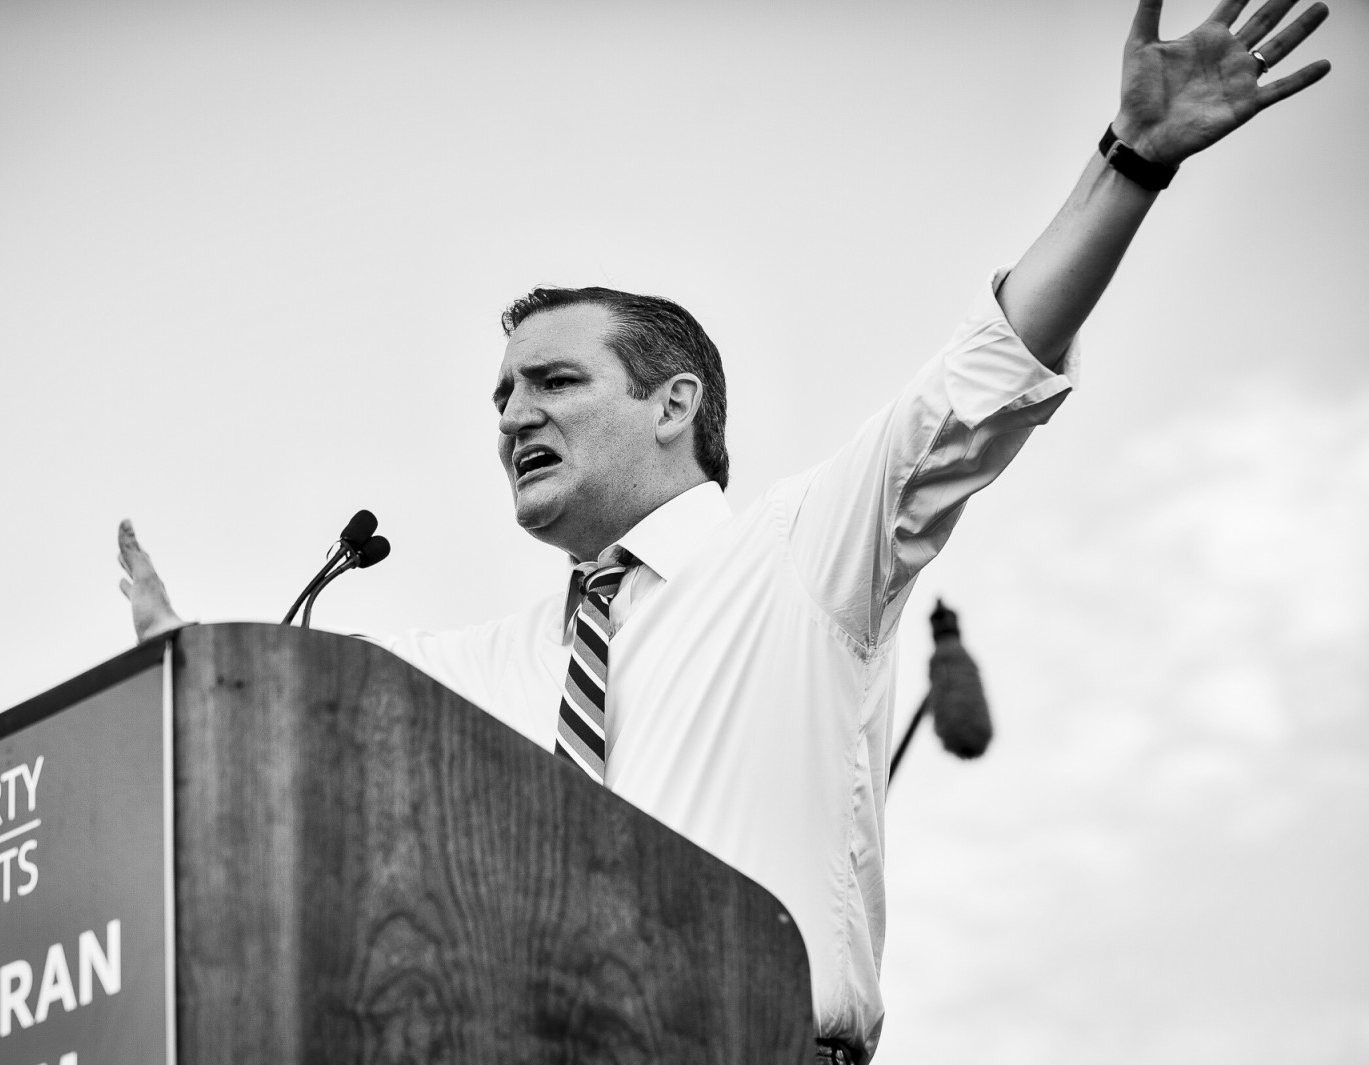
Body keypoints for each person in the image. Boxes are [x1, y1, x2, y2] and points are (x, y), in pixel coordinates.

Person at [116, 2, 1331, 1059]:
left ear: (670, 403)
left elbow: (982, 372)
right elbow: (312, 731)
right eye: (497, 397)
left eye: (551, 382)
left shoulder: (805, 557)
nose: (511, 415)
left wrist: (1129, 162)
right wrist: (194, 682)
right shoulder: (477, 671)